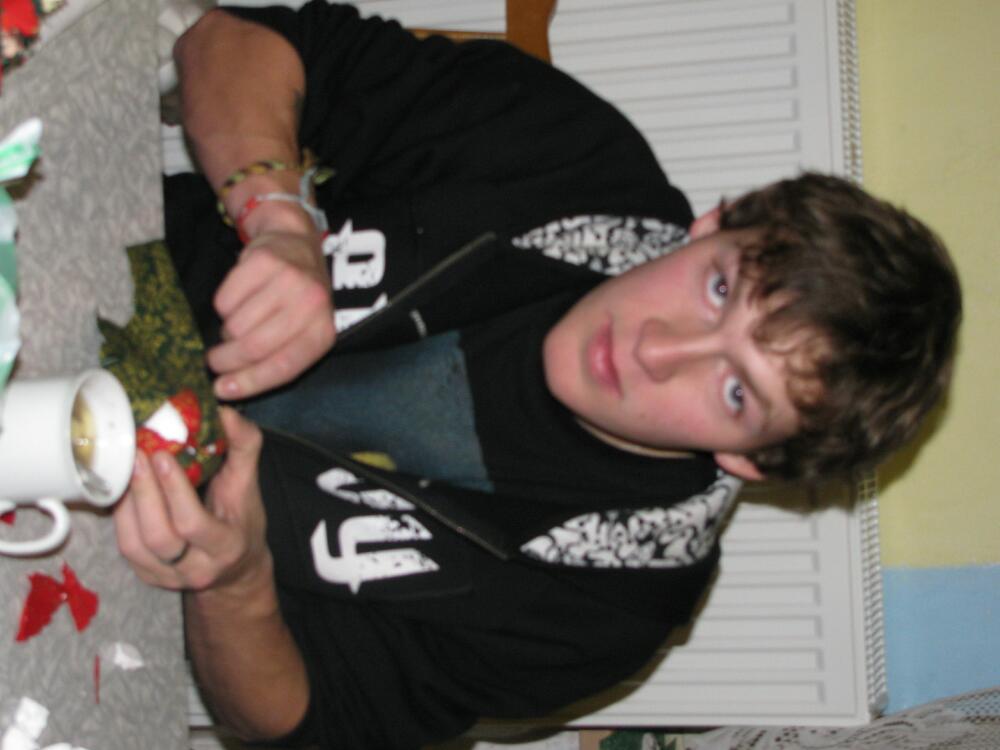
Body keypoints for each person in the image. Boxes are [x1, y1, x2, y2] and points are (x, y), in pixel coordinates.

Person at [113, 2, 962, 749]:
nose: (658, 351)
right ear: (715, 223)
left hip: (104, 548)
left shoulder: (609, 611)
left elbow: (303, 718)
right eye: (717, 289)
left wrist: (236, 583)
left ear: (751, 461)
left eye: (736, 392)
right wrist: (277, 218)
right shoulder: (566, 154)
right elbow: (229, 41)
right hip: (95, 283)